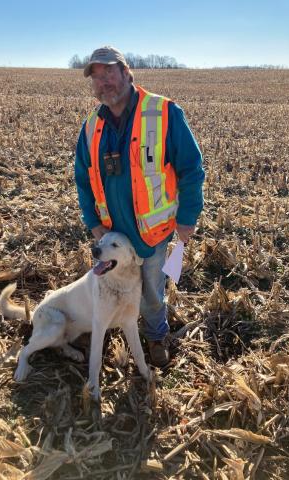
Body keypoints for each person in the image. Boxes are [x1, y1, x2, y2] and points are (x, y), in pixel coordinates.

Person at [74, 46, 204, 367]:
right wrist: (93, 223)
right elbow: (83, 178)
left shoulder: (163, 112)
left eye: (109, 73)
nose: (104, 83)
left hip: (151, 234)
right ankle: (112, 326)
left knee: (150, 293)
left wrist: (186, 218)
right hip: (112, 236)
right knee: (112, 287)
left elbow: (191, 168)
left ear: (127, 72)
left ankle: (156, 335)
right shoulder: (91, 126)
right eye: (97, 78)